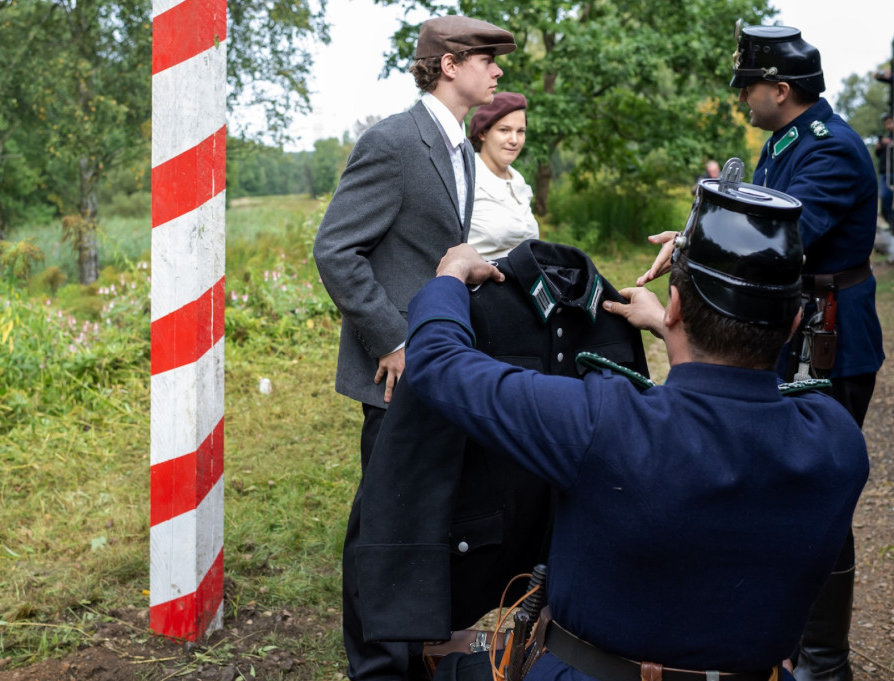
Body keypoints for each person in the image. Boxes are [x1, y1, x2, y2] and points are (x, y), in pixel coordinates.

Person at [405, 179, 868, 681]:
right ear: (796, 321)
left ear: (672, 306)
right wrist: (676, 326)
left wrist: (450, 276)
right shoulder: (837, 440)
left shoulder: (604, 422)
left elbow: (439, 364)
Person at [636, 25, 884, 681]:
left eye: (748, 86)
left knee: (817, 489)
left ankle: (823, 661)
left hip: (831, 341)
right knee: (769, 484)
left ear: (780, 88)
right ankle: (773, 637)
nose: (743, 97)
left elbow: (777, 235)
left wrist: (692, 245)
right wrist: (691, 233)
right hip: (791, 334)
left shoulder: (830, 151)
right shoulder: (783, 143)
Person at [312, 14, 516, 681]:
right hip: (395, 368)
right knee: (380, 524)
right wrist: (393, 337)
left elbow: (431, 249)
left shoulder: (458, 145)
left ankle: (411, 649)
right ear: (450, 63)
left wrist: (475, 270)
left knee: (417, 512)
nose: (499, 70)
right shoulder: (395, 140)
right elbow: (337, 250)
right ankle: (375, 663)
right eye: (488, 57)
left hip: (436, 364)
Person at [466, 91, 540, 258]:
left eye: (520, 131)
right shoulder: (466, 179)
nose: (514, 140)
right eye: (504, 130)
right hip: (477, 282)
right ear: (482, 133)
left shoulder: (518, 182)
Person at [876, 112, 893, 227]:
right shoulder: (886, 139)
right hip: (886, 173)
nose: (888, 126)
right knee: (885, 202)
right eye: (886, 124)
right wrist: (879, 147)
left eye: (890, 123)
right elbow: (879, 155)